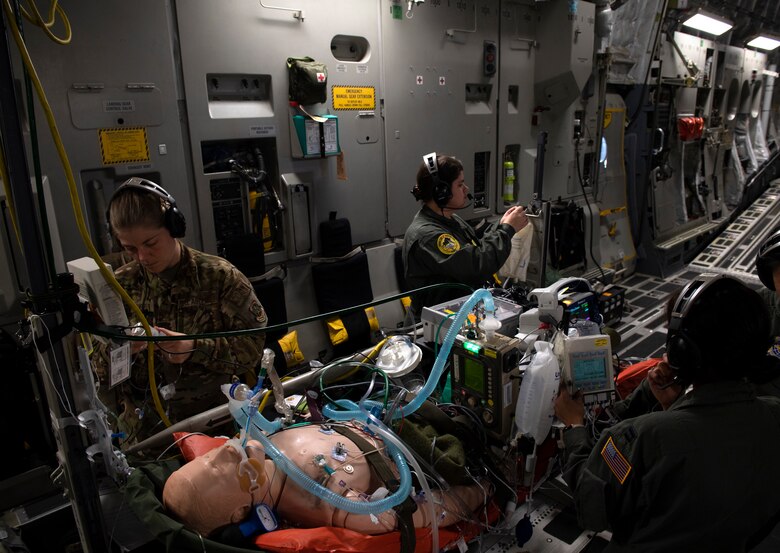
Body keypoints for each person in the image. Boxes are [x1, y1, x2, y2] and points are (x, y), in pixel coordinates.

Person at [554, 274, 780, 552]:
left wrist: (574, 426)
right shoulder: (774, 413)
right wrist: (669, 407)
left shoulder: (641, 438)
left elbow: (592, 507)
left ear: (681, 352)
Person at [97, 177, 267, 446]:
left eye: (150, 244)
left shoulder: (219, 278)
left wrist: (193, 347)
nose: (141, 257)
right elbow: (97, 365)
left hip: (212, 428)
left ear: (174, 228)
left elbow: (252, 349)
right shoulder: (119, 286)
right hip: (145, 436)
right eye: (130, 248)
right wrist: (120, 349)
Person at [402, 152, 529, 319]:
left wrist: (501, 225)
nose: (466, 189)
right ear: (442, 192)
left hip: (458, 313)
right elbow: (476, 266)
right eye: (460, 185)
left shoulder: (449, 218)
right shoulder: (428, 235)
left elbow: (475, 248)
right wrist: (507, 229)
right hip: (436, 324)